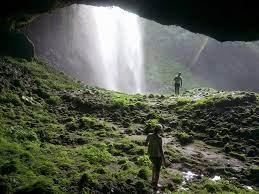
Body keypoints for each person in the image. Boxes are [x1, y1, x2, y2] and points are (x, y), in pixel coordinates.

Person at [146, 124, 165, 190]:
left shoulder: (149, 135)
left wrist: (150, 147)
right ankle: (155, 185)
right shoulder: (159, 138)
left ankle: (152, 181)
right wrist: (164, 159)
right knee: (158, 171)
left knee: (153, 167)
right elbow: (161, 150)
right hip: (158, 156)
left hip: (151, 155)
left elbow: (146, 143)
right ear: (160, 130)